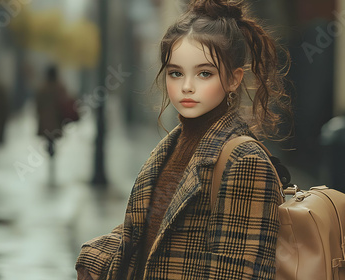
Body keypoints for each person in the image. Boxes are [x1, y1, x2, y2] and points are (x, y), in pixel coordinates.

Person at [76, 0, 291, 279]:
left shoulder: (245, 162)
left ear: (233, 79)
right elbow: (146, 235)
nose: (187, 86)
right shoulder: (172, 147)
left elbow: (237, 273)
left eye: (204, 73)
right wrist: (93, 257)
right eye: (176, 73)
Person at [35, 65, 69, 186]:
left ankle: (50, 152)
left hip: (46, 119)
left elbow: (38, 103)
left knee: (49, 139)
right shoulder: (59, 87)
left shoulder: (43, 88)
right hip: (56, 120)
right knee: (52, 140)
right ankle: (51, 153)